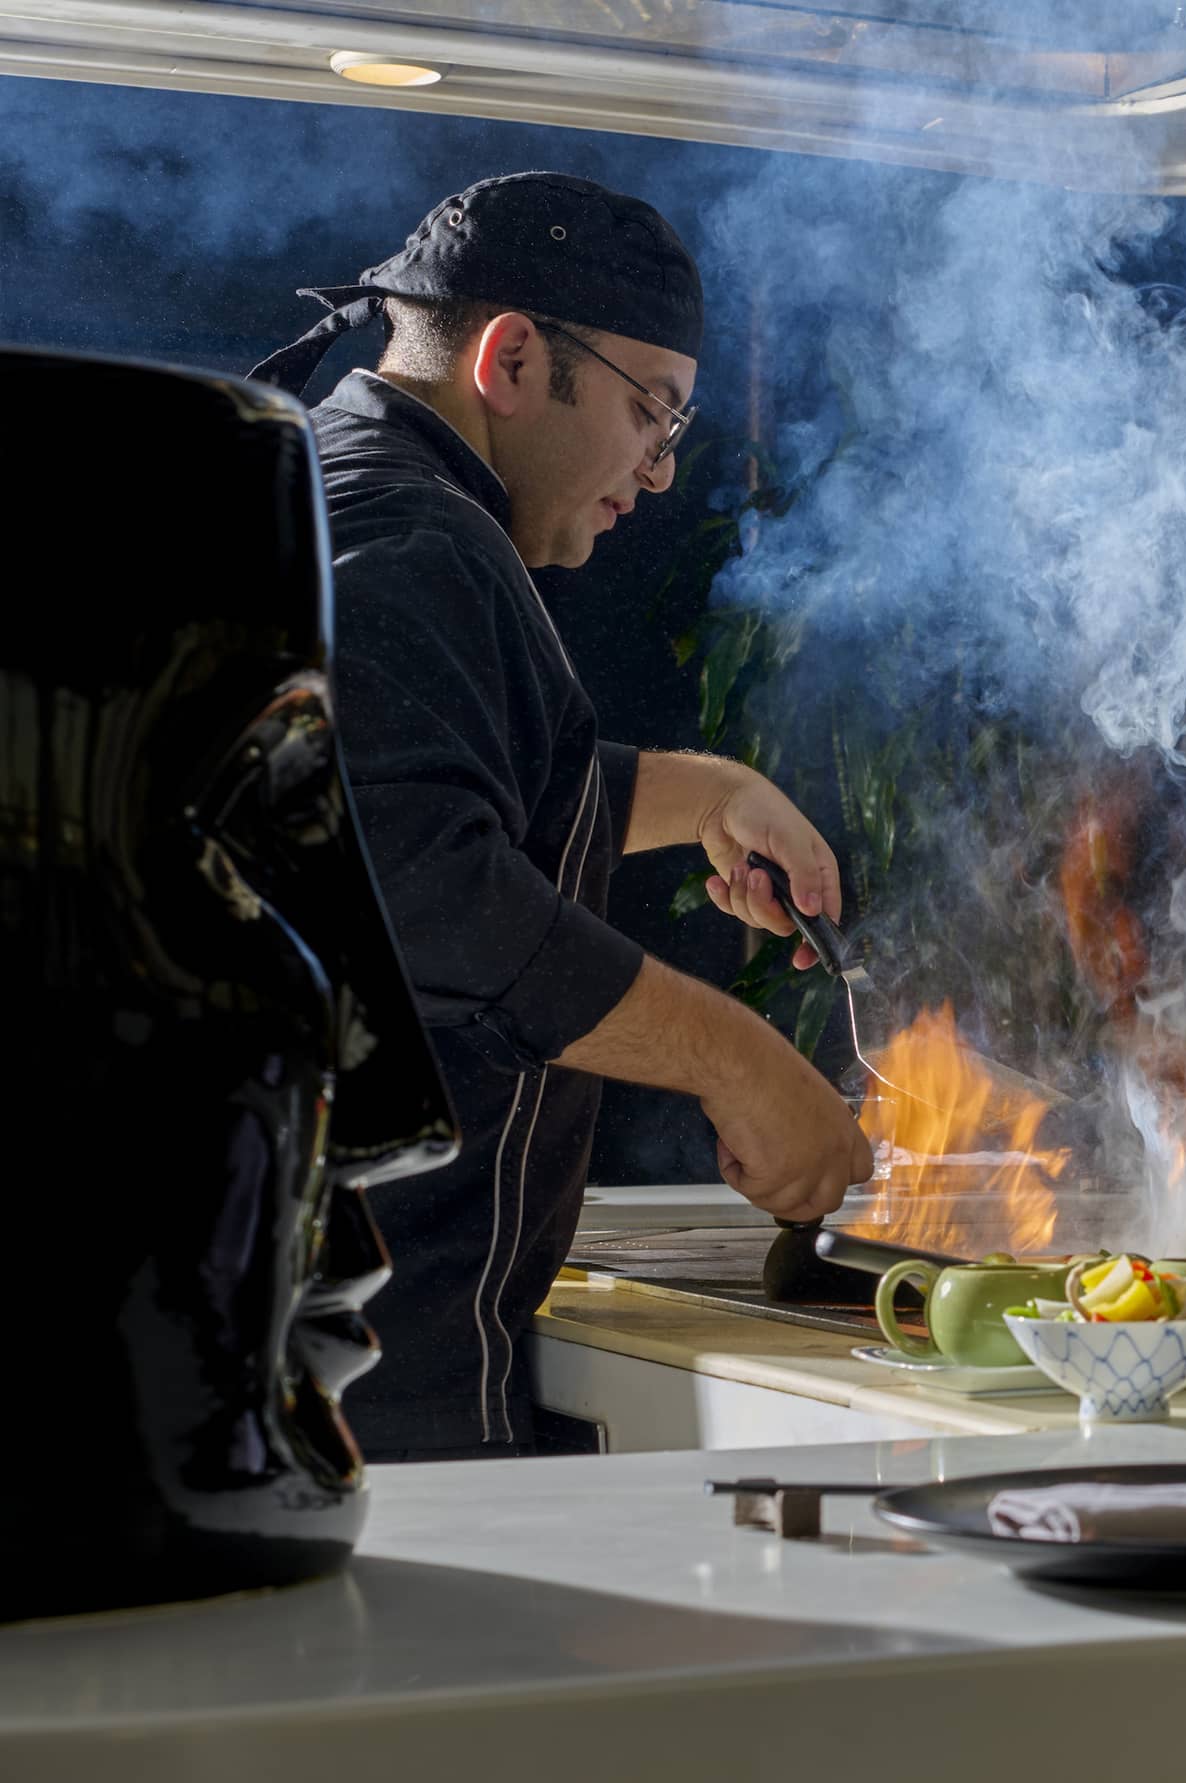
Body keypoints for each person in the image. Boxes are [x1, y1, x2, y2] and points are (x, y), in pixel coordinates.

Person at [250, 171, 871, 1458]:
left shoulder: (328, 487)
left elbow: (410, 783)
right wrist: (738, 1059)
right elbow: (419, 887)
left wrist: (709, 792)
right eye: (652, 412)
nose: (655, 469)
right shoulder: (418, 537)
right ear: (515, 357)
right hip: (357, 1350)